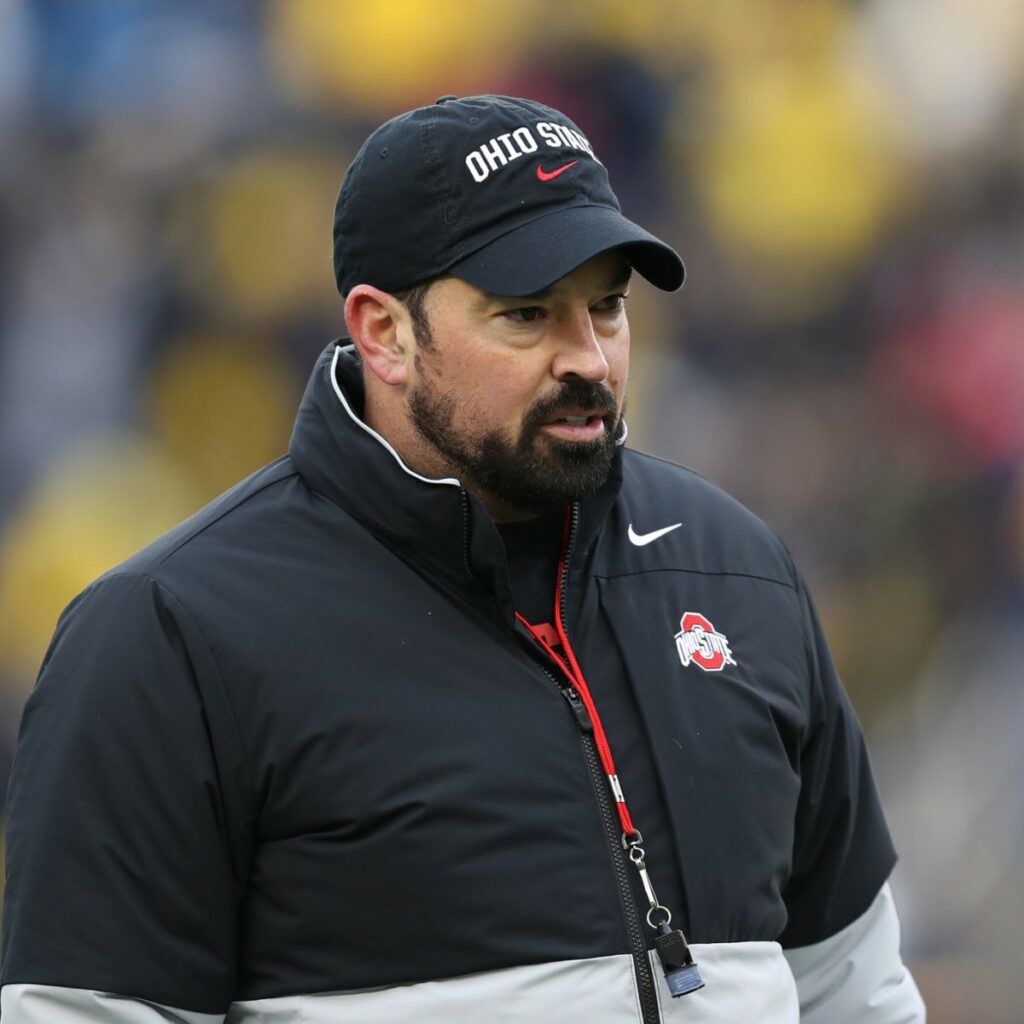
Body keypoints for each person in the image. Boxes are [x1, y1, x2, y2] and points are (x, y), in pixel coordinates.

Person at [1, 94, 924, 1023]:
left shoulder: (738, 572)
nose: (589, 359)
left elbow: (854, 989)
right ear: (384, 333)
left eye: (606, 307)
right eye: (526, 315)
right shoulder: (171, 633)